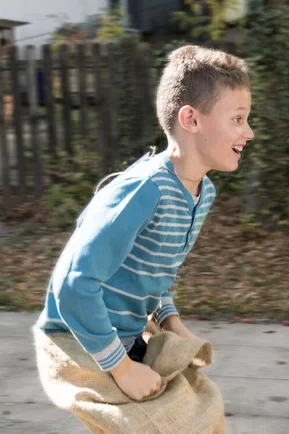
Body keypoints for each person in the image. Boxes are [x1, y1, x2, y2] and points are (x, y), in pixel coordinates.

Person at [34, 44, 254, 406]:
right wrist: (122, 369)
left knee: (203, 406)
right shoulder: (144, 190)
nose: (249, 132)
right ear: (191, 120)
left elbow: (147, 267)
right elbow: (72, 284)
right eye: (237, 119)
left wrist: (170, 319)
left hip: (123, 337)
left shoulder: (202, 193)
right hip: (82, 342)